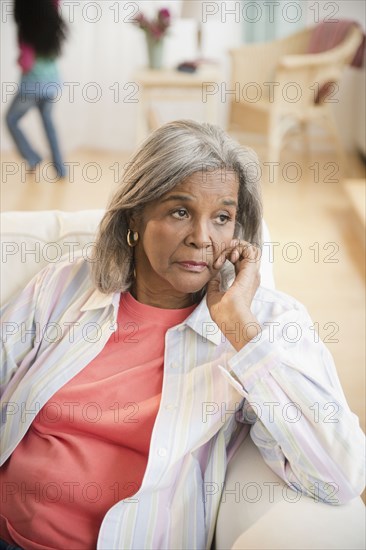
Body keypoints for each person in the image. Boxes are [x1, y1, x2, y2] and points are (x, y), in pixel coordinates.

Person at [0, 120, 364, 550]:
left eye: (222, 218)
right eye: (180, 211)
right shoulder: (64, 285)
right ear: (136, 213)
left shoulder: (263, 323)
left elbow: (339, 476)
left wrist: (238, 327)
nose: (201, 239)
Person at [6, 0, 67, 178]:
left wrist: (19, 60)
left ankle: (32, 158)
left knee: (10, 119)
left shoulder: (27, 31)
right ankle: (61, 169)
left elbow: (26, 63)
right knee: (49, 124)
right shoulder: (53, 24)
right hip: (52, 83)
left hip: (32, 85)